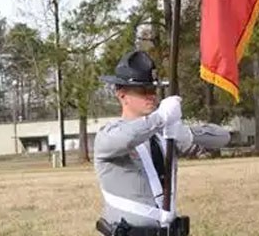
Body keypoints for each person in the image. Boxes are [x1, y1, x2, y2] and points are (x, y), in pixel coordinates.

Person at [93, 50, 231, 236]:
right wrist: (160, 117)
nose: (151, 96)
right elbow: (126, 138)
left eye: (153, 90)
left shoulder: (164, 135)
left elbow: (223, 137)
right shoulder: (109, 135)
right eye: (143, 91)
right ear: (122, 94)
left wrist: (187, 134)